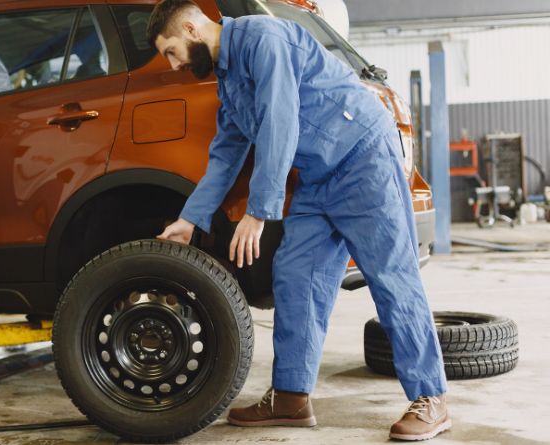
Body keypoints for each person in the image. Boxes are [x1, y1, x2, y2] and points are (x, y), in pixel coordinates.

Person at [147, 0, 451, 441]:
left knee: (391, 276)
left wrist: (259, 211)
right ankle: (291, 398)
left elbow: (280, 120)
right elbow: (228, 151)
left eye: (172, 51)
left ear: (192, 28)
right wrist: (190, 219)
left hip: (362, 160)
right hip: (317, 176)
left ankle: (431, 399)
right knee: (296, 275)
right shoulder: (229, 77)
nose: (174, 65)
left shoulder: (262, 40)